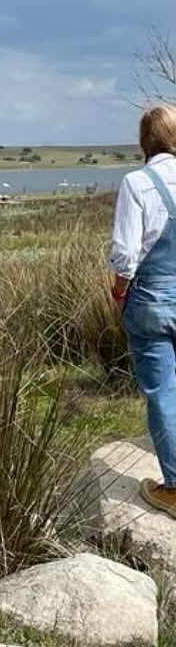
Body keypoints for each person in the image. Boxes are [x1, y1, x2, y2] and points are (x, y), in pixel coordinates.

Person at [110, 103, 176, 517]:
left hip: (152, 300)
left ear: (144, 141)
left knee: (163, 394)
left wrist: (119, 291)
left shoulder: (137, 183)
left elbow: (124, 255)